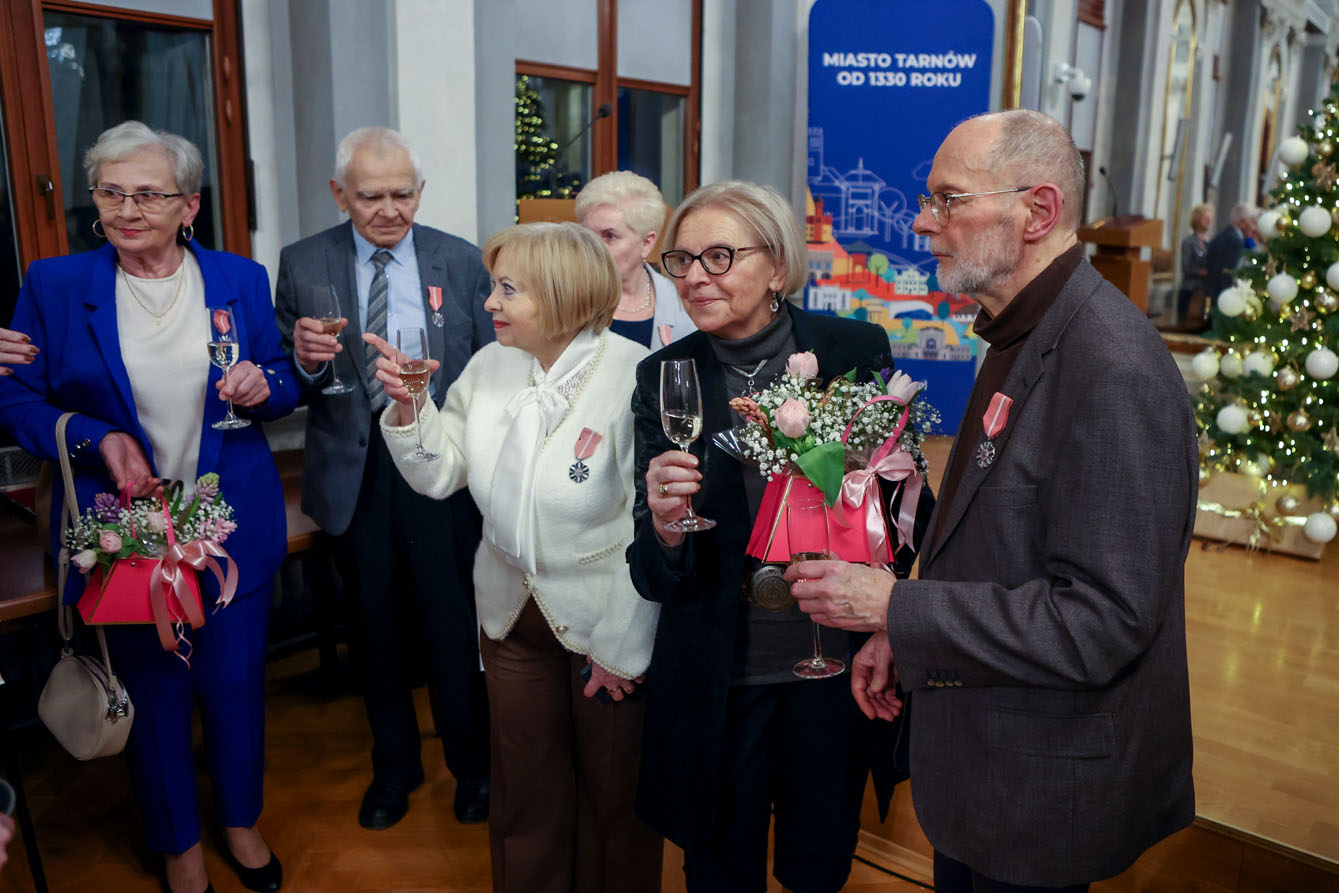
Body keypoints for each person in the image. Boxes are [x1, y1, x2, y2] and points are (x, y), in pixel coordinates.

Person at [789, 110, 1197, 892]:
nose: (920, 221)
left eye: (947, 200)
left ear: (1036, 211)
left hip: (1039, 791)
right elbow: (992, 537)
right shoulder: (1022, 331)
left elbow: (1101, 621)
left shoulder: (1111, 370)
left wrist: (895, 607)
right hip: (986, 765)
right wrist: (906, 634)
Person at [0, 121, 299, 893]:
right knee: (157, 697)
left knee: (235, 688)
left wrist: (266, 385)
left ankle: (241, 821)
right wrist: (97, 437)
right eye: (111, 192)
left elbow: (280, 377)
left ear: (188, 205)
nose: (126, 209)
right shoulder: (55, 285)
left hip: (229, 519)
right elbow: (17, 399)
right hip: (123, 527)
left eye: (148, 194)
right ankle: (178, 847)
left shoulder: (239, 277)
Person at [628, 180, 931, 893]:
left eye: (719, 256)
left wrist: (889, 614)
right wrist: (664, 526)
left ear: (778, 267)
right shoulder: (665, 374)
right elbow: (653, 568)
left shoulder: (853, 347)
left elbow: (904, 503)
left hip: (833, 662)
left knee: (817, 862)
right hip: (721, 669)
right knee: (718, 869)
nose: (694, 277)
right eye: (681, 260)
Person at [365, 221, 662, 893]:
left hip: (605, 622)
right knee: (524, 790)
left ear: (560, 294)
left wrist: (621, 647)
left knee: (614, 796)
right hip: (509, 617)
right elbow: (438, 473)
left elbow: (648, 527)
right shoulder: (490, 365)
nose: (489, 303)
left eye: (507, 289)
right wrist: (411, 407)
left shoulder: (634, 374)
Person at [273, 126, 493, 830]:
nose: (389, 210)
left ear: (420, 191)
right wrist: (306, 361)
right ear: (340, 194)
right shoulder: (303, 261)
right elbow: (291, 378)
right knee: (375, 630)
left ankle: (474, 768)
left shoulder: (460, 260)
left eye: (403, 193)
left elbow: (488, 367)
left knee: (451, 622)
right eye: (371, 196)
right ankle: (394, 769)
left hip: (438, 461)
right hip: (355, 468)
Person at [575, 170, 696, 348]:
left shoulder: (685, 302)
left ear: (647, 243)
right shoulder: (563, 301)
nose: (593, 247)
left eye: (609, 236)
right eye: (587, 234)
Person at [1204, 202, 1261, 299]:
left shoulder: (1221, 236)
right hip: (1223, 296)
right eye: (1251, 222)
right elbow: (1229, 272)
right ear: (1243, 223)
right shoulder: (1235, 241)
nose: (1253, 228)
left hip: (1212, 292)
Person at [1175, 202, 1213, 325]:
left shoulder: (1211, 242)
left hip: (1206, 290)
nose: (1209, 221)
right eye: (1206, 218)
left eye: (1210, 218)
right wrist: (1205, 272)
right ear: (1197, 219)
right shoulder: (1189, 242)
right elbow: (1186, 267)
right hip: (1190, 290)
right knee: (1187, 323)